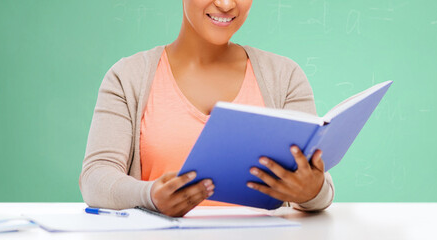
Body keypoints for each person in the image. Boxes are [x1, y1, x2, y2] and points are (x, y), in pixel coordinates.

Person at [79, 0, 334, 217]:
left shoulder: (284, 77)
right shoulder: (128, 77)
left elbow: (320, 185)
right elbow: (95, 178)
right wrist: (150, 196)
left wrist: (311, 191)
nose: (226, 4)